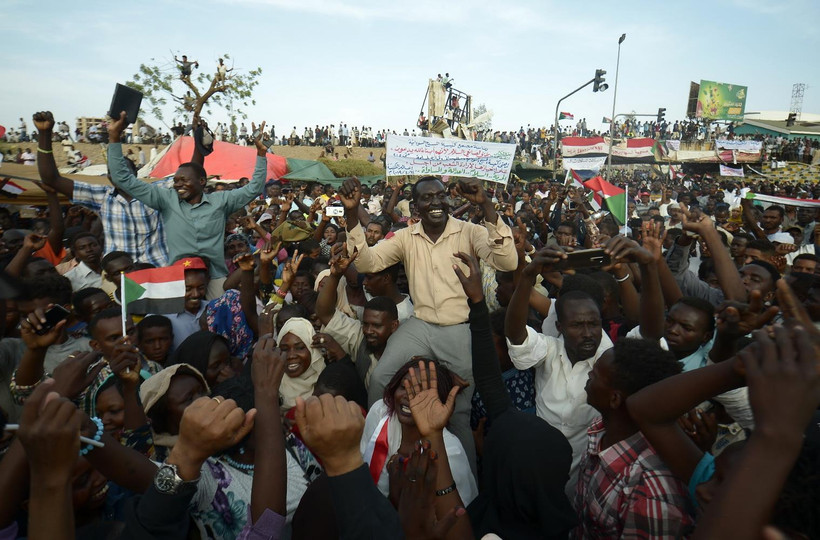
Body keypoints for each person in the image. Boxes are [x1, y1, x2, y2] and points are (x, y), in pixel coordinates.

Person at [337, 175, 517, 469]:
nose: (435, 202)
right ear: (415, 206)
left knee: (458, 409)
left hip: (459, 329)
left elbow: (507, 262)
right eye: (426, 198)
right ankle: (378, 455)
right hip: (419, 326)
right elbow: (367, 263)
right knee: (381, 379)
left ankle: (466, 486)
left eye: (440, 196)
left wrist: (486, 206)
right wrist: (350, 212)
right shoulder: (405, 237)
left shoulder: (470, 232)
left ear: (448, 199)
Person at [107, 112, 268, 298]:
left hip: (214, 276)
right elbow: (123, 179)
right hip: (178, 276)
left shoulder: (221, 201)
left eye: (184, 180)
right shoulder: (166, 199)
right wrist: (114, 137)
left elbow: (254, 188)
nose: (178, 184)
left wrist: (261, 153)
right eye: (175, 181)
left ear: (201, 181)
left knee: (218, 320)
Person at [505, 246, 614, 494]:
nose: (587, 333)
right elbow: (517, 335)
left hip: (586, 466)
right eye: (577, 325)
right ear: (559, 326)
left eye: (593, 324)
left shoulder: (608, 358)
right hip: (541, 454)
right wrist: (526, 277)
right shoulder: (551, 348)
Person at [33, 111, 170, 267]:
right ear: (109, 177)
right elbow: (51, 179)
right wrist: (44, 133)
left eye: (124, 171)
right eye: (115, 172)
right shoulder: (101, 196)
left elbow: (192, 177)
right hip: (118, 274)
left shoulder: (158, 191)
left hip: (158, 270)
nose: (120, 176)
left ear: (136, 173)